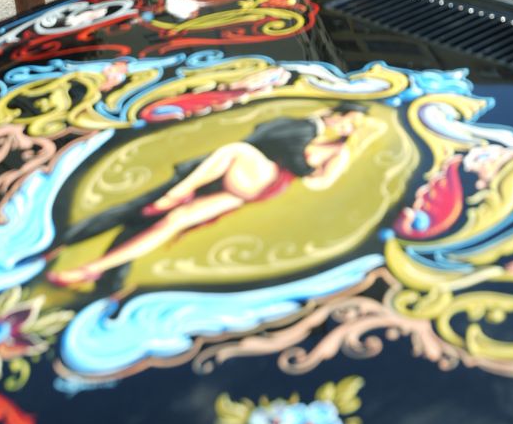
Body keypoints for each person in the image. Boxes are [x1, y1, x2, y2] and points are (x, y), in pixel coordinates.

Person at [45, 103, 370, 293]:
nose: (348, 126)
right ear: (341, 113)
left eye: (354, 125)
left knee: (235, 150)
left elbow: (322, 183)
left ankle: (178, 191)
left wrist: (306, 168)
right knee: (175, 221)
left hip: (266, 178)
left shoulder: (336, 150)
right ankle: (92, 269)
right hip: (244, 184)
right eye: (349, 119)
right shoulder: (307, 125)